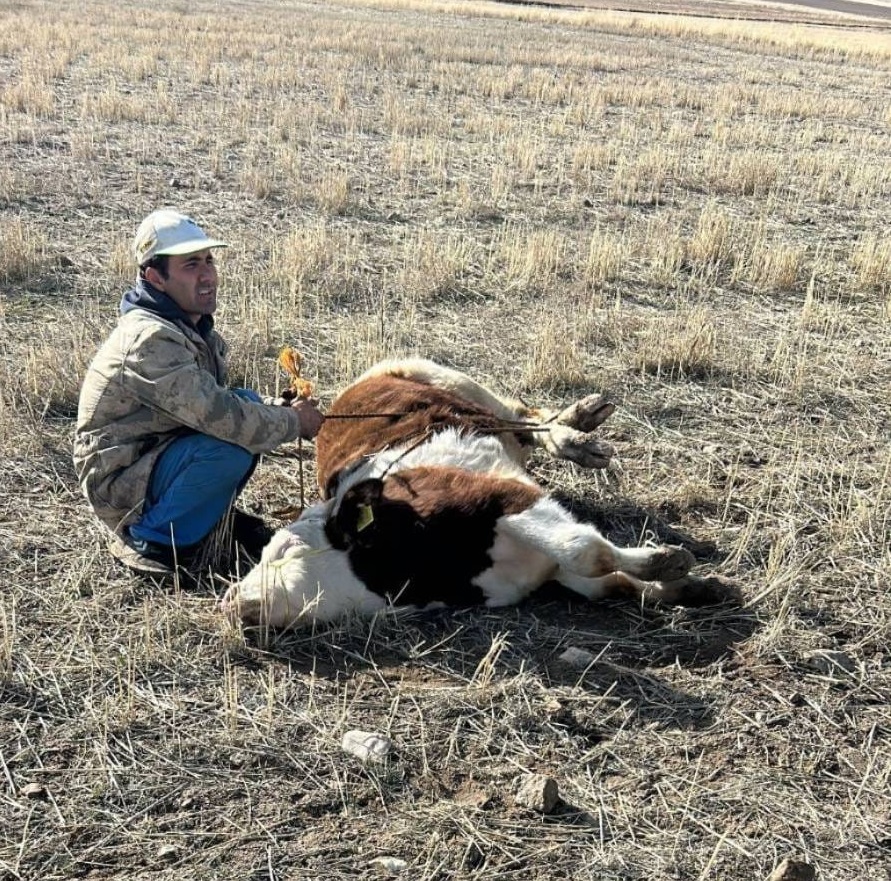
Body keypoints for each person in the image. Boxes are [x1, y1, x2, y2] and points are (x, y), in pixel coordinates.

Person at [73, 209, 324, 578]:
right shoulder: (150, 340)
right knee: (229, 448)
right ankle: (153, 541)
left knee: (249, 406)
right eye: (191, 265)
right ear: (155, 277)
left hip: (151, 455)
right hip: (118, 483)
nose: (207, 275)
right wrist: (292, 421)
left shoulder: (184, 326)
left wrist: (277, 407)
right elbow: (222, 417)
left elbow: (216, 400)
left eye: (209, 260)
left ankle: (197, 518)